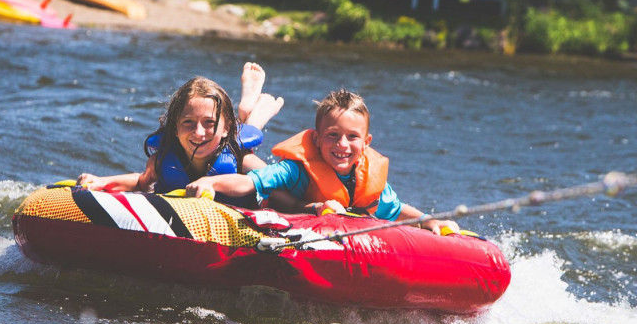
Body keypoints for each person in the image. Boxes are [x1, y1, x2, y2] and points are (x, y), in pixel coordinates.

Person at [184, 88, 460, 235]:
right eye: (333, 135)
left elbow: (396, 209)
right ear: (316, 139)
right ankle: (248, 118)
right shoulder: (297, 168)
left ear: (366, 143)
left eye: (352, 137)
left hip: (306, 204)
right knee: (242, 160)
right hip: (276, 195)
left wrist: (427, 220)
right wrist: (211, 181)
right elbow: (248, 184)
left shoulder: (366, 178)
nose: (342, 145)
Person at [76, 63, 284, 207]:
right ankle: (242, 112)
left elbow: (279, 182)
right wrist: (103, 181)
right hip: (225, 130)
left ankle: (251, 110)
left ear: (224, 127)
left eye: (208, 123)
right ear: (174, 128)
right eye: (188, 122)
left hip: (231, 141)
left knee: (243, 138)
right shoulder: (161, 161)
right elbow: (141, 183)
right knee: (226, 133)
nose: (198, 132)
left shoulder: (243, 161)